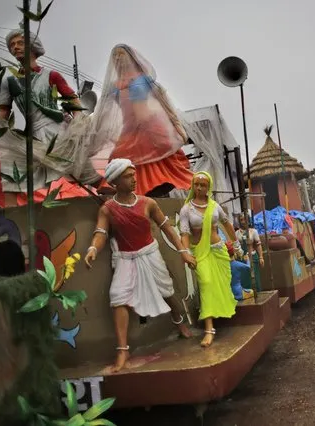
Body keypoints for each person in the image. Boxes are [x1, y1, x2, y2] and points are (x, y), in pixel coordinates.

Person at [84, 158, 196, 372]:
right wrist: (92, 249)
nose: (134, 179)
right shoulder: (108, 209)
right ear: (115, 182)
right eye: (128, 176)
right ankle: (123, 350)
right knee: (118, 297)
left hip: (149, 254)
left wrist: (183, 252)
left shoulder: (148, 203)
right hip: (126, 258)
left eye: (133, 174)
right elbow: (100, 233)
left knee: (166, 289)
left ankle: (178, 319)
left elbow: (167, 228)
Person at [0, 29, 101, 206]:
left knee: (81, 170)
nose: (15, 47)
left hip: (57, 132)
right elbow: (4, 112)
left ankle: (112, 193)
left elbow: (73, 101)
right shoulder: (9, 82)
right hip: (32, 135)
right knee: (11, 164)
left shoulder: (51, 76)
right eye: (12, 45)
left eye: (20, 43)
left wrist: (79, 125)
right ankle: (12, 217)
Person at [90, 44, 193, 198]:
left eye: (121, 54)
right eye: (115, 56)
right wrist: (94, 131)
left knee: (161, 161)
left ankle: (156, 188)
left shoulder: (144, 79)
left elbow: (163, 102)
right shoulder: (115, 86)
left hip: (150, 127)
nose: (118, 58)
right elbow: (106, 111)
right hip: (129, 130)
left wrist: (177, 126)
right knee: (120, 159)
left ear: (131, 57)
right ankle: (133, 192)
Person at [179, 172, 243, 347]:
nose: (199, 188)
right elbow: (184, 233)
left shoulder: (215, 206)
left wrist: (236, 245)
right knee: (206, 283)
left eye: (203, 185)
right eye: (196, 184)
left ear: (209, 187)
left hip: (218, 251)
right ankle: (209, 330)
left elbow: (227, 224)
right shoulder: (187, 209)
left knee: (221, 284)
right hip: (200, 253)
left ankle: (219, 313)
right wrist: (185, 253)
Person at [236, 215, 264, 291]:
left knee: (255, 277)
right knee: (245, 279)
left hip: (253, 257)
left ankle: (258, 293)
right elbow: (235, 247)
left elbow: (258, 245)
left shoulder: (253, 231)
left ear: (248, 220)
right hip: (242, 259)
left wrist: (261, 257)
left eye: (245, 219)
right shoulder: (237, 233)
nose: (243, 221)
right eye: (241, 220)